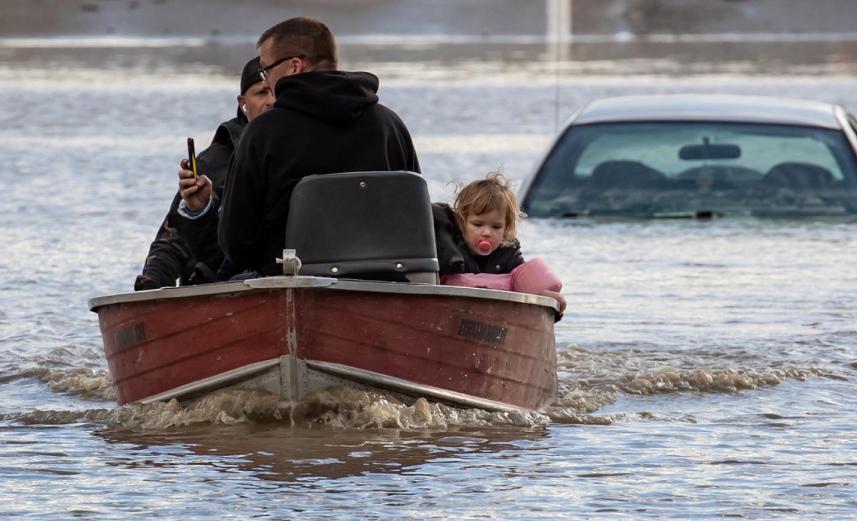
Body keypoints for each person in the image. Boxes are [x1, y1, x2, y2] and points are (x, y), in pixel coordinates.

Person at [218, 17, 420, 276]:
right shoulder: (389, 125)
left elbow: (236, 242)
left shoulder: (263, 133)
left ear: (294, 66)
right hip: (382, 285)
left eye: (266, 69)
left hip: (291, 287)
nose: (266, 81)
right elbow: (415, 217)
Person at [134, 57, 274, 290]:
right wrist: (151, 288)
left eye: (276, 91)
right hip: (226, 288)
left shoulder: (308, 148)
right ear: (243, 103)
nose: (271, 101)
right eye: (261, 93)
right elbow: (172, 243)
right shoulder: (213, 164)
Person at [433, 171, 567, 312]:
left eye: (496, 227)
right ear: (462, 223)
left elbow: (525, 288)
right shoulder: (449, 252)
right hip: (453, 311)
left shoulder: (509, 254)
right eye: (477, 225)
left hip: (494, 319)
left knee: (555, 298)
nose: (486, 233)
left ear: (506, 228)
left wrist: (544, 300)